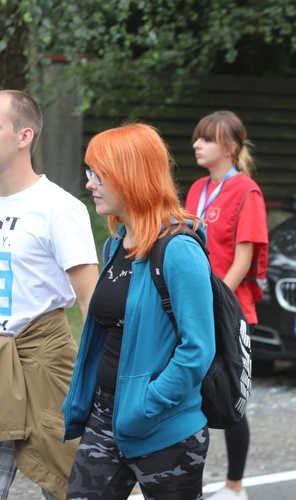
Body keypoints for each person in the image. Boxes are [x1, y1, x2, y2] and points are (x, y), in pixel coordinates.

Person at [62, 123, 216, 499]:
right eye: (89, 173)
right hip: (104, 417)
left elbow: (198, 348)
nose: (90, 184)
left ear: (129, 176)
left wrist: (147, 405)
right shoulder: (115, 245)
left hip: (163, 428)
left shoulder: (179, 250)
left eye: (98, 174)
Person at [0, 90, 99, 500]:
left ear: (24, 136)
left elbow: (92, 302)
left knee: (70, 488)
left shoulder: (59, 207)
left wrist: (106, 380)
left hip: (44, 358)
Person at [185, 111, 268, 500]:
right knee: (193, 396)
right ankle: (190, 483)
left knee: (228, 397)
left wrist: (214, 302)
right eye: (197, 138)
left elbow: (243, 259)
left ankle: (235, 486)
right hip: (194, 307)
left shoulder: (247, 191)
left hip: (227, 311)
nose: (196, 144)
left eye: (206, 139)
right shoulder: (197, 189)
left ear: (230, 147)